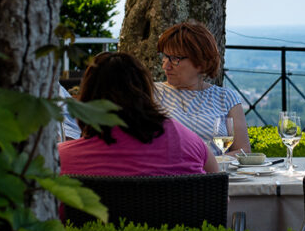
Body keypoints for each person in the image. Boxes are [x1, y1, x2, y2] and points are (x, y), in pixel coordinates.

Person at [59, 51, 219, 176]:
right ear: (146, 90)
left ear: (87, 98)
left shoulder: (62, 159)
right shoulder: (189, 143)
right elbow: (219, 198)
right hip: (174, 218)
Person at [154, 21, 251, 155]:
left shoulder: (226, 97)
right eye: (165, 57)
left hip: (214, 174)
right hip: (168, 174)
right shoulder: (152, 93)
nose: (166, 66)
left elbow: (243, 151)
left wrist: (208, 166)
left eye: (175, 59)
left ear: (200, 62)